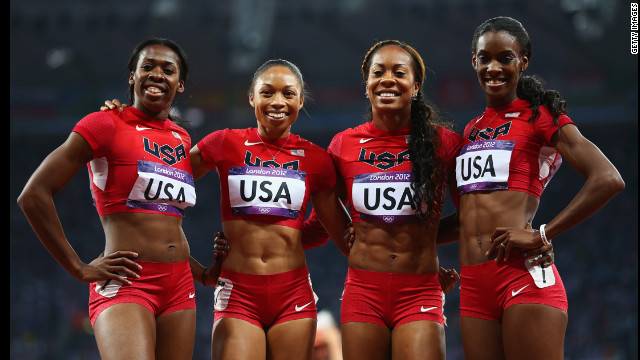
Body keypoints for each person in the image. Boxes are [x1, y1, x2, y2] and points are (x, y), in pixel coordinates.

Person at [448, 16, 625, 360]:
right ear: (474, 61)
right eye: (485, 58)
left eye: (505, 58)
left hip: (521, 277)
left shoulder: (539, 115)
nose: (493, 67)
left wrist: (543, 234)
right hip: (473, 287)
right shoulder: (470, 131)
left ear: (523, 61)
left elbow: (608, 178)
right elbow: (463, 221)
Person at [17, 37, 198, 359]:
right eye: (148, 66)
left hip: (180, 285)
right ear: (133, 76)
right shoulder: (104, 124)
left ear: (180, 84)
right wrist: (77, 267)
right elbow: (33, 195)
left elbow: (165, 218)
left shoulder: (181, 138)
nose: (157, 74)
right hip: (127, 281)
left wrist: (200, 270)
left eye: (167, 69)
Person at [191, 59, 352, 360]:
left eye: (288, 94)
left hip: (293, 293)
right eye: (267, 93)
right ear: (251, 97)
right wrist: (132, 119)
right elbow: (165, 178)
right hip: (238, 291)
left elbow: (340, 234)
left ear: (301, 100)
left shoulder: (316, 159)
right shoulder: (224, 143)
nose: (277, 102)